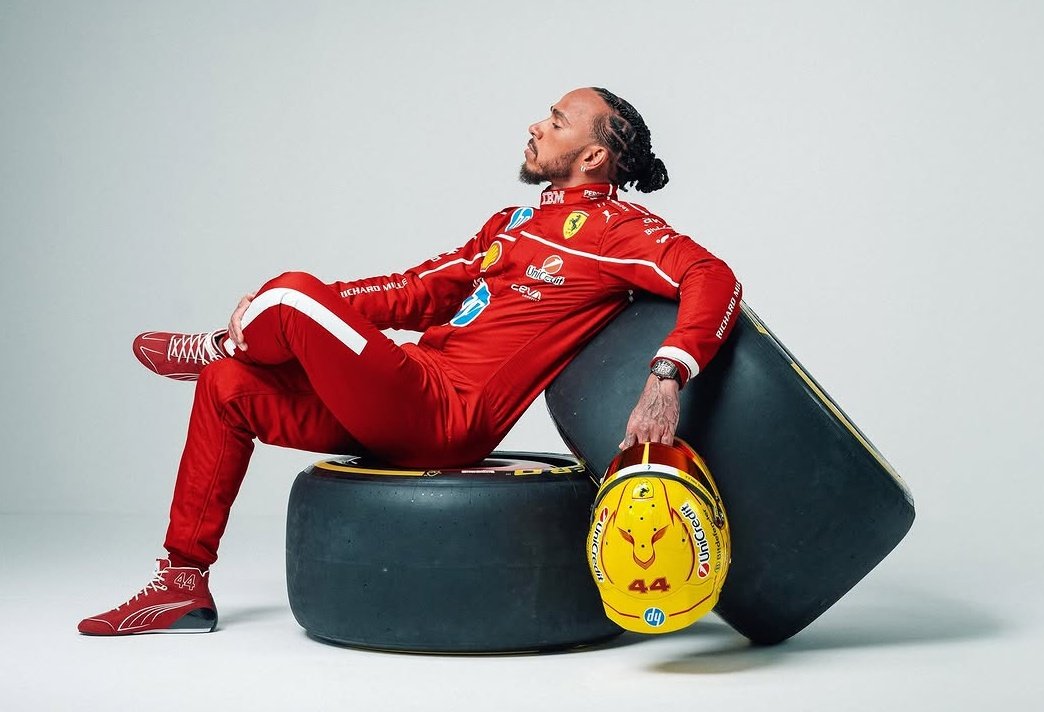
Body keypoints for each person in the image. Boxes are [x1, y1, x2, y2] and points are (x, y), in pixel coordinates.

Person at [77, 87, 743, 636]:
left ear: (593, 155)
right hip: (403, 393)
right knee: (230, 385)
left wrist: (667, 375)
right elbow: (415, 292)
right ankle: (182, 582)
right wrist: (298, 312)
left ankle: (222, 343)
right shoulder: (510, 224)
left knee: (287, 296)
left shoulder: (616, 231)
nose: (536, 125)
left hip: (444, 416)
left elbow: (714, 278)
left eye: (556, 120)